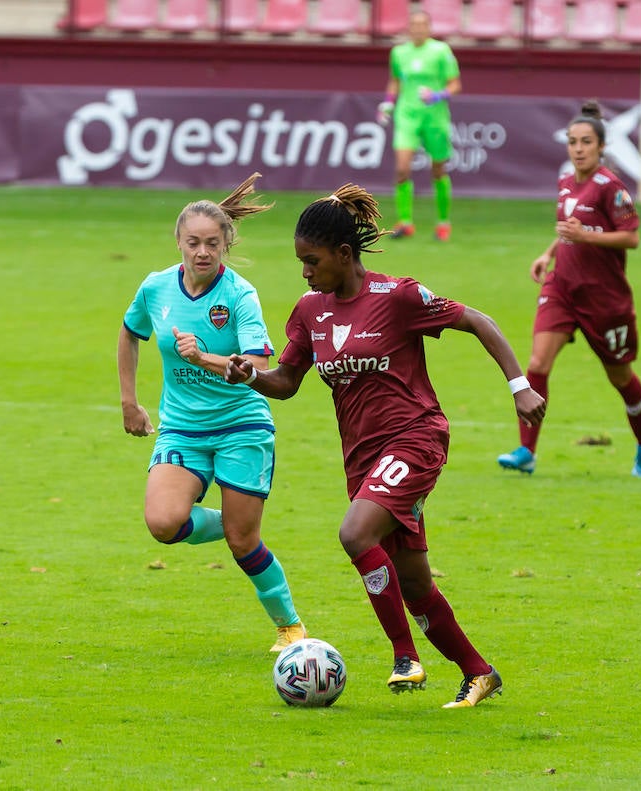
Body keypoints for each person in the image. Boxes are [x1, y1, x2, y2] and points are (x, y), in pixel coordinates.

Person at [225, 182, 545, 708]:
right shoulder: (310, 311)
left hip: (416, 438)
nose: (305, 271)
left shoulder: (397, 297)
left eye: (312, 260)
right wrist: (249, 377)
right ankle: (479, 672)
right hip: (363, 459)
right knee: (415, 582)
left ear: (344, 255)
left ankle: (405, 657)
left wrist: (520, 387)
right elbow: (285, 381)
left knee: (354, 533)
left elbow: (478, 321)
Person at [118, 173, 307, 653]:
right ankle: (232, 521)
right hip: (182, 427)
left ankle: (290, 626)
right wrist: (129, 401)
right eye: (193, 243)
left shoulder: (239, 295)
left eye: (212, 244)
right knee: (163, 523)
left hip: (241, 425)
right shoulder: (157, 288)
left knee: (245, 543)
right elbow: (129, 332)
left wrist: (204, 358)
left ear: (226, 245)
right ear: (179, 243)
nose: (202, 252)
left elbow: (258, 368)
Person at [499, 101, 641, 478]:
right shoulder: (566, 182)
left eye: (586, 142)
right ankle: (527, 450)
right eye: (573, 142)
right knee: (537, 364)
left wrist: (585, 235)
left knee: (620, 377)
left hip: (604, 299)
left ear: (601, 146)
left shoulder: (611, 188)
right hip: (562, 288)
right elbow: (568, 228)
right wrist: (549, 252)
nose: (578, 148)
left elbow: (632, 238)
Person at [375, 11, 461, 242]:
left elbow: (455, 85)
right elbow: (395, 81)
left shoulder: (441, 51)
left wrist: (438, 95)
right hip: (407, 115)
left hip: (435, 117)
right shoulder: (399, 53)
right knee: (402, 168)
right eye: (414, 24)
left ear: (429, 27)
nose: (418, 28)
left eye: (422, 24)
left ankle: (443, 222)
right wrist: (388, 103)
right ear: (409, 28)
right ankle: (405, 222)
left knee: (438, 170)